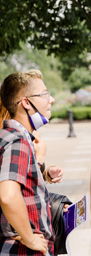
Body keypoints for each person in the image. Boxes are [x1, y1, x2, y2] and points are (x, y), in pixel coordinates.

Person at [0, 70, 56, 255]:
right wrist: (29, 238)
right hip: (22, 250)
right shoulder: (18, 141)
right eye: (45, 94)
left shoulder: (7, 137)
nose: (51, 99)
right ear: (26, 102)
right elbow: (8, 196)